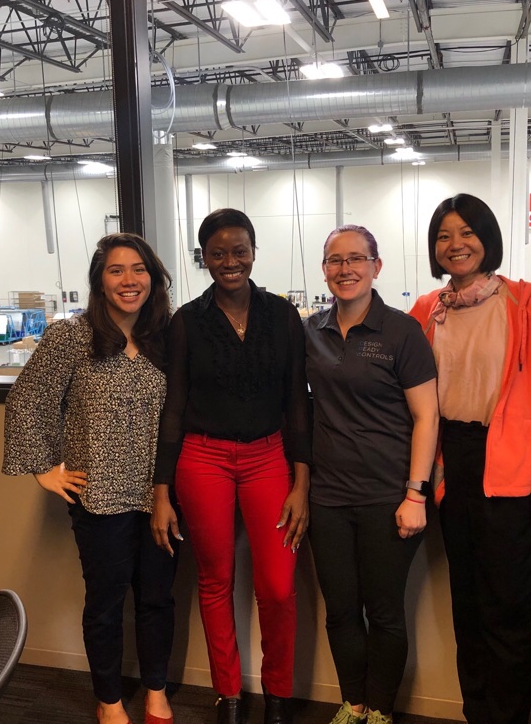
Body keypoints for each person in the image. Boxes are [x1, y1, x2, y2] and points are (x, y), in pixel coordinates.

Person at [3, 233, 178, 724]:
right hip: (98, 494)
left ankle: (157, 691)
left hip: (162, 492)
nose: (129, 280)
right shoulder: (71, 337)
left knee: (157, 598)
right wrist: (44, 469)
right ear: (100, 281)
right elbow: (27, 400)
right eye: (116, 270)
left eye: (138, 269)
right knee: (105, 602)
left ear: (153, 277)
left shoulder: (167, 337)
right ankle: (108, 700)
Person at [408, 194, 531, 724]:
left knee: (511, 611)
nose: (456, 245)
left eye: (467, 232)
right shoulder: (426, 311)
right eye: (444, 236)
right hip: (449, 466)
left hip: (512, 467)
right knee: (468, 606)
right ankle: (478, 714)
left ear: (487, 238)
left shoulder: (526, 303)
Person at [151, 208, 312, 724]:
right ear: (204, 259)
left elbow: (297, 403)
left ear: (254, 251)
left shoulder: (283, 316)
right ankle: (229, 694)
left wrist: (301, 481)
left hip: (269, 457)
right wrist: (160, 491)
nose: (230, 261)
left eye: (239, 250)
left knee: (278, 585)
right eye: (217, 253)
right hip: (203, 458)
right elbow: (173, 407)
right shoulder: (187, 322)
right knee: (215, 579)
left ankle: (278, 695)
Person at [304, 225, 439, 724]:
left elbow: (427, 416)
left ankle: (379, 709)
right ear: (324, 270)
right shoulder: (311, 331)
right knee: (340, 610)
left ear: (376, 267)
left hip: (389, 497)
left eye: (356, 259)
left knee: (384, 612)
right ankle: (352, 703)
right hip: (328, 499)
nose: (346, 269)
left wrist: (416, 493)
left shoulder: (402, 331)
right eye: (335, 261)